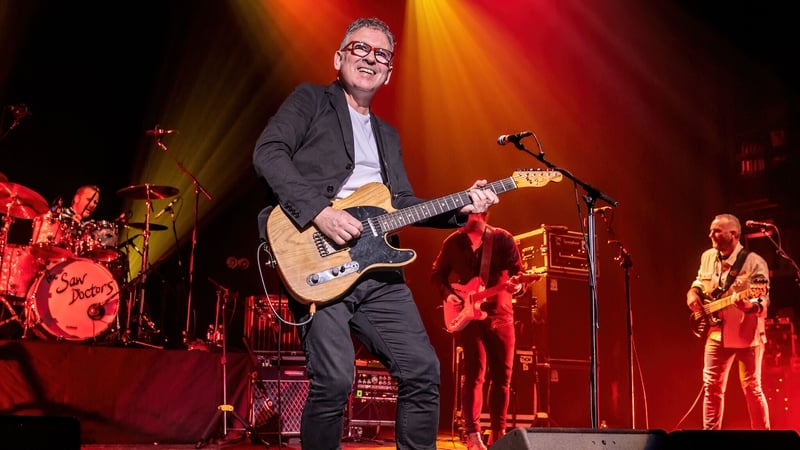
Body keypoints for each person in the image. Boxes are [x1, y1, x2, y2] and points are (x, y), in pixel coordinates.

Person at [252, 17, 499, 449]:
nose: (370, 58)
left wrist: (460, 206)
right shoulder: (310, 100)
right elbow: (268, 153)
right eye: (360, 49)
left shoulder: (388, 134)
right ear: (338, 58)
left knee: (422, 371)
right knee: (333, 379)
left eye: (381, 54)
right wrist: (320, 213)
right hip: (318, 257)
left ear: (388, 72)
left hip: (377, 269)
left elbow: (400, 203)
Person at [431, 211, 531, 449]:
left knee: (502, 378)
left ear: (478, 213)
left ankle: (498, 432)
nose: (458, 217)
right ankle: (473, 434)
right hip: (469, 316)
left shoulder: (503, 238)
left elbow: (518, 275)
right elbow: (436, 275)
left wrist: (517, 286)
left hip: (501, 315)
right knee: (474, 374)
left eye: (463, 212)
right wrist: (450, 295)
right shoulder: (453, 242)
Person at [685, 213, 771, 430]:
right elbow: (699, 281)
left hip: (747, 334)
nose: (710, 234)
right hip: (716, 332)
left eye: (716, 231)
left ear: (733, 234)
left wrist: (749, 306)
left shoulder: (754, 262)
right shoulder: (707, 257)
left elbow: (762, 298)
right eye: (711, 230)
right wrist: (693, 293)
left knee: (752, 388)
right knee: (711, 388)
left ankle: (764, 439)